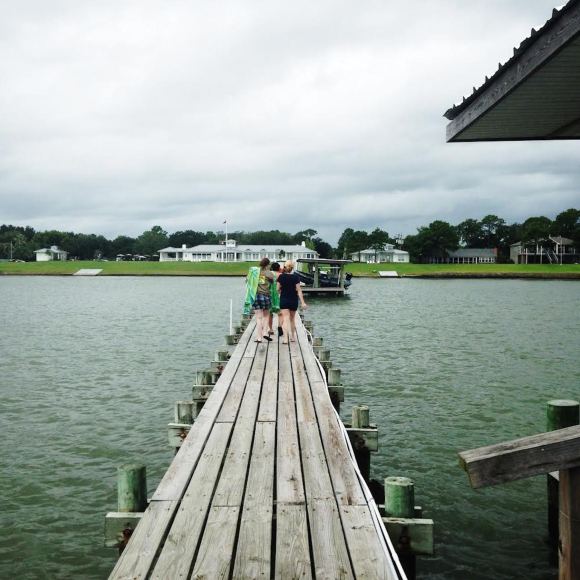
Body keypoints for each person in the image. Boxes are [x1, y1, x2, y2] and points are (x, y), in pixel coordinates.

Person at [277, 260, 307, 344]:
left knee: (285, 319)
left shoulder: (281, 277)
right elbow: (299, 290)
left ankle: (286, 339)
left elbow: (277, 289)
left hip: (284, 300)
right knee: (292, 319)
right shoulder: (296, 277)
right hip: (293, 300)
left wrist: (280, 292)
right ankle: (293, 337)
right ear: (292, 268)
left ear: (285, 267)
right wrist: (303, 302)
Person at [252, 257, 274, 343]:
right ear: (268, 265)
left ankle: (259, 337)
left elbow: (247, 281)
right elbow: (273, 282)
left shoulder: (255, 272)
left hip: (256, 296)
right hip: (266, 296)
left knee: (258, 318)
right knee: (266, 315)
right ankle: (265, 332)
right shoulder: (269, 273)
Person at [268, 262, 283, 337]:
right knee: (280, 313)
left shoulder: (269, 274)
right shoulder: (280, 275)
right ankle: (280, 326)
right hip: (278, 295)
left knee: (270, 313)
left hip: (270, 294)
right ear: (278, 268)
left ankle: (270, 329)